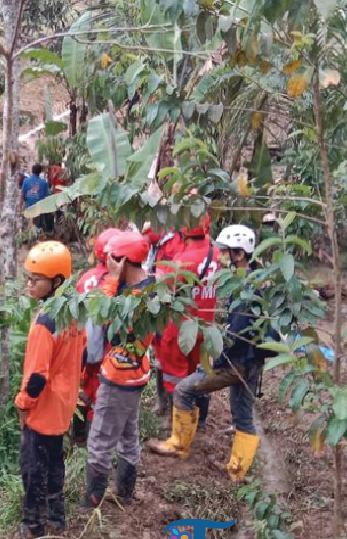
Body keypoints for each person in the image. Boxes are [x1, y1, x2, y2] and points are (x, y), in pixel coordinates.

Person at [149, 225, 267, 482]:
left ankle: (179, 444)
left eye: (224, 253)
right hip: (252, 361)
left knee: (183, 389)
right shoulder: (253, 279)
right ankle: (238, 473)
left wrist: (217, 360)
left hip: (237, 362)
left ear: (239, 254)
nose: (220, 258)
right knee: (243, 417)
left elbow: (237, 332)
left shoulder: (246, 290)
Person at [16, 241, 85, 538]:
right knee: (55, 460)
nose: (30, 284)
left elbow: (36, 378)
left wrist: (22, 404)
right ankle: (57, 519)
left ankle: (33, 524)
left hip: (43, 407)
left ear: (56, 281)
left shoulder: (45, 322)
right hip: (63, 403)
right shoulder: (73, 311)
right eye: (29, 278)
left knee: (33, 467)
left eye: (36, 279)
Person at [85, 232, 154, 508]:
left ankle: (91, 503)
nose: (109, 266)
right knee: (128, 434)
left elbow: (100, 314)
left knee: (100, 440)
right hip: (136, 374)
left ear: (124, 261)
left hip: (119, 375)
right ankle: (125, 492)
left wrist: (111, 280)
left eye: (114, 260)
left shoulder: (135, 300)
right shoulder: (151, 286)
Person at [152, 216, 220, 437]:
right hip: (205, 327)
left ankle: (178, 430)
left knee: (175, 378)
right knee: (199, 376)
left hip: (181, 329)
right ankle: (199, 422)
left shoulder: (183, 261)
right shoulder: (217, 255)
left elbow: (163, 291)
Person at [73, 228, 122, 441]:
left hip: (84, 348)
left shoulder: (86, 278)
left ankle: (78, 435)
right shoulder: (118, 282)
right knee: (99, 392)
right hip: (106, 349)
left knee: (82, 388)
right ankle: (94, 439)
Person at [21, 164, 52, 234]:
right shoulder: (43, 182)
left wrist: (21, 205)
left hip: (28, 206)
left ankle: (28, 238)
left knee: (28, 226)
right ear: (40, 172)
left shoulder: (26, 181)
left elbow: (22, 194)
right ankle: (36, 238)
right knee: (38, 226)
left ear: (32, 171)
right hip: (39, 208)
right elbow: (46, 196)